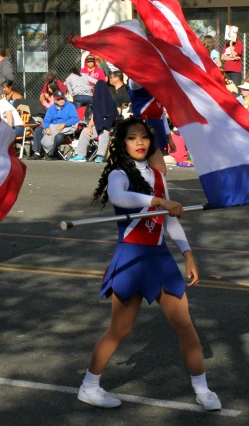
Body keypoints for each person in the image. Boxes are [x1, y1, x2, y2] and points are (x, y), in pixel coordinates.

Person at [77, 118, 221, 411]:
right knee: (120, 328)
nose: (140, 142)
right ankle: (89, 386)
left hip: (160, 258)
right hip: (131, 257)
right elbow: (119, 197)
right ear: (122, 143)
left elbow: (169, 219)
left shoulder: (157, 175)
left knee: (185, 325)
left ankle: (202, 388)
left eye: (143, 137)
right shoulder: (119, 174)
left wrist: (188, 253)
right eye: (132, 138)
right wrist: (158, 201)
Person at [69, 80, 117, 163]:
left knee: (104, 132)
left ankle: (100, 155)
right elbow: (95, 115)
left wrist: (98, 125)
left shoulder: (110, 101)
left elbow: (113, 117)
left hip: (109, 127)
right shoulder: (96, 101)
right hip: (98, 126)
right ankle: (80, 154)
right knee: (85, 132)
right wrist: (90, 127)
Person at [29, 90, 79, 160]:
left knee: (59, 136)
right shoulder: (51, 108)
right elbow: (46, 121)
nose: (62, 100)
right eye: (59, 99)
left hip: (66, 127)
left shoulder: (70, 106)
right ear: (55, 100)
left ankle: (51, 154)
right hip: (53, 126)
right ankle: (37, 153)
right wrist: (47, 128)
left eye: (62, 98)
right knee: (38, 130)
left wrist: (64, 124)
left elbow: (75, 118)